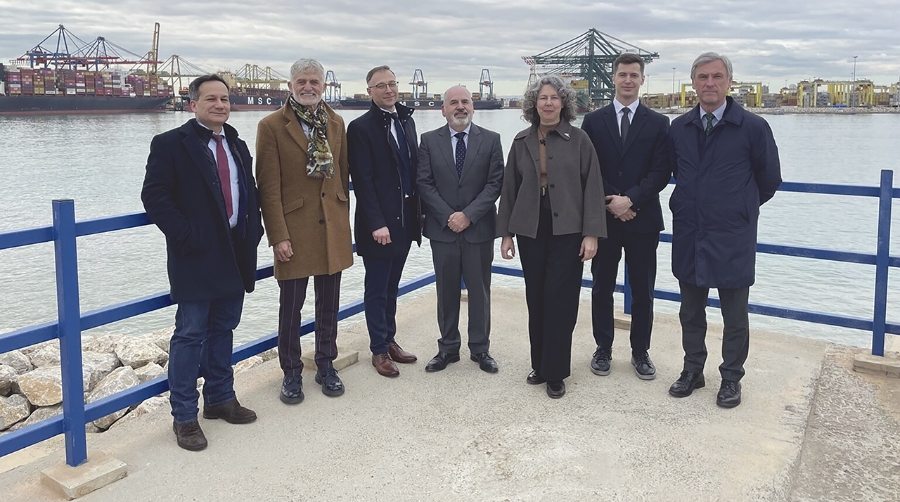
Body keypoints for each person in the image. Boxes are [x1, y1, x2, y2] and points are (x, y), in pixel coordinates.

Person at [141, 74, 263, 451]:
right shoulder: (169, 144)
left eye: (224, 98)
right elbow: (155, 195)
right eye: (211, 98)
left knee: (224, 327)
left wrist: (254, 231)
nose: (220, 105)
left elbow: (248, 192)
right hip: (194, 255)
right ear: (193, 104)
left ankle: (220, 398)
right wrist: (185, 235)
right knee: (190, 334)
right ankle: (184, 418)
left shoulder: (237, 144)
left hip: (235, 252)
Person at [667, 52, 781, 408]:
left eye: (717, 76)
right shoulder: (680, 127)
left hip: (733, 235)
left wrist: (738, 209)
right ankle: (693, 370)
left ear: (729, 82)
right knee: (690, 311)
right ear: (694, 83)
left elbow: (769, 180)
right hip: (690, 232)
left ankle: (731, 377)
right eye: (703, 77)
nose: (710, 83)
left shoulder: (752, 127)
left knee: (734, 315)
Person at [496, 75, 606, 398]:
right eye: (542, 98)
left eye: (554, 98)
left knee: (561, 300)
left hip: (568, 231)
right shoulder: (520, 142)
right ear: (534, 104)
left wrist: (592, 235)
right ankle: (539, 365)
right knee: (536, 297)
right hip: (531, 229)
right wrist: (505, 235)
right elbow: (509, 190)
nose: (548, 103)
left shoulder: (580, 140)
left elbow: (593, 188)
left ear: (564, 103)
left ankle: (556, 372)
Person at [255, 58, 352, 404]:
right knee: (291, 308)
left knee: (329, 305)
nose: (308, 87)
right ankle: (291, 373)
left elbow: (341, 175)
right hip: (293, 231)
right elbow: (267, 187)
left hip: (332, 228)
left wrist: (344, 226)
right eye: (301, 82)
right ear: (290, 85)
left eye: (314, 81)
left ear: (323, 85)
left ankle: (327, 365)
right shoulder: (271, 126)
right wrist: (277, 235)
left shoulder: (336, 122)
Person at [581, 53, 671, 381]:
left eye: (634, 75)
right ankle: (603, 347)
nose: (628, 80)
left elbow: (661, 171)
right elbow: (589, 168)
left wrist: (630, 199)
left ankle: (640, 351)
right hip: (604, 218)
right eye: (622, 75)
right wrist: (612, 202)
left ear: (642, 79)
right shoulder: (594, 121)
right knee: (601, 285)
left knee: (643, 288)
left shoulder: (660, 123)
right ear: (614, 79)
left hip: (642, 219)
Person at [417, 85, 504, 374]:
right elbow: (424, 183)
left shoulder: (491, 140)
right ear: (443, 109)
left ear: (473, 106)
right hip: (442, 231)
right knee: (446, 291)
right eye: (453, 103)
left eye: (465, 101)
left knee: (480, 292)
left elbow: (495, 184)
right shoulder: (429, 140)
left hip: (478, 229)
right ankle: (448, 349)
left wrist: (468, 215)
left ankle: (480, 349)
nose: (460, 107)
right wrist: (448, 216)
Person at [347, 65, 421, 377]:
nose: (389, 90)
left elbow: (412, 171)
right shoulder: (361, 128)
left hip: (405, 221)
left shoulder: (406, 121)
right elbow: (362, 180)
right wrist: (377, 223)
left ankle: (389, 339)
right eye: (381, 86)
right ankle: (378, 349)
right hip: (378, 226)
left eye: (392, 84)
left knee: (393, 286)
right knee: (377, 288)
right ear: (370, 92)